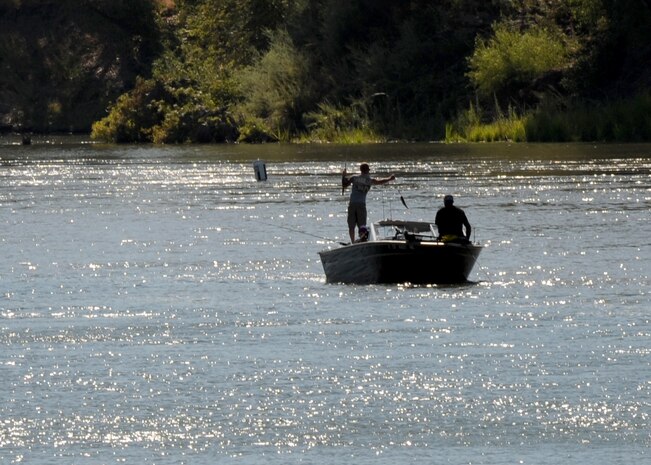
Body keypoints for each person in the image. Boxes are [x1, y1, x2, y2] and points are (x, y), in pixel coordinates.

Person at [342, 163, 395, 243]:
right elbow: (380, 182)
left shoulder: (354, 178)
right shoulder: (369, 181)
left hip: (352, 204)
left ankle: (352, 242)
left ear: (361, 170)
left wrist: (343, 176)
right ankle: (362, 241)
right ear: (367, 171)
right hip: (361, 205)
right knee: (362, 226)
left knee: (351, 226)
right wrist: (390, 178)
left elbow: (345, 185)